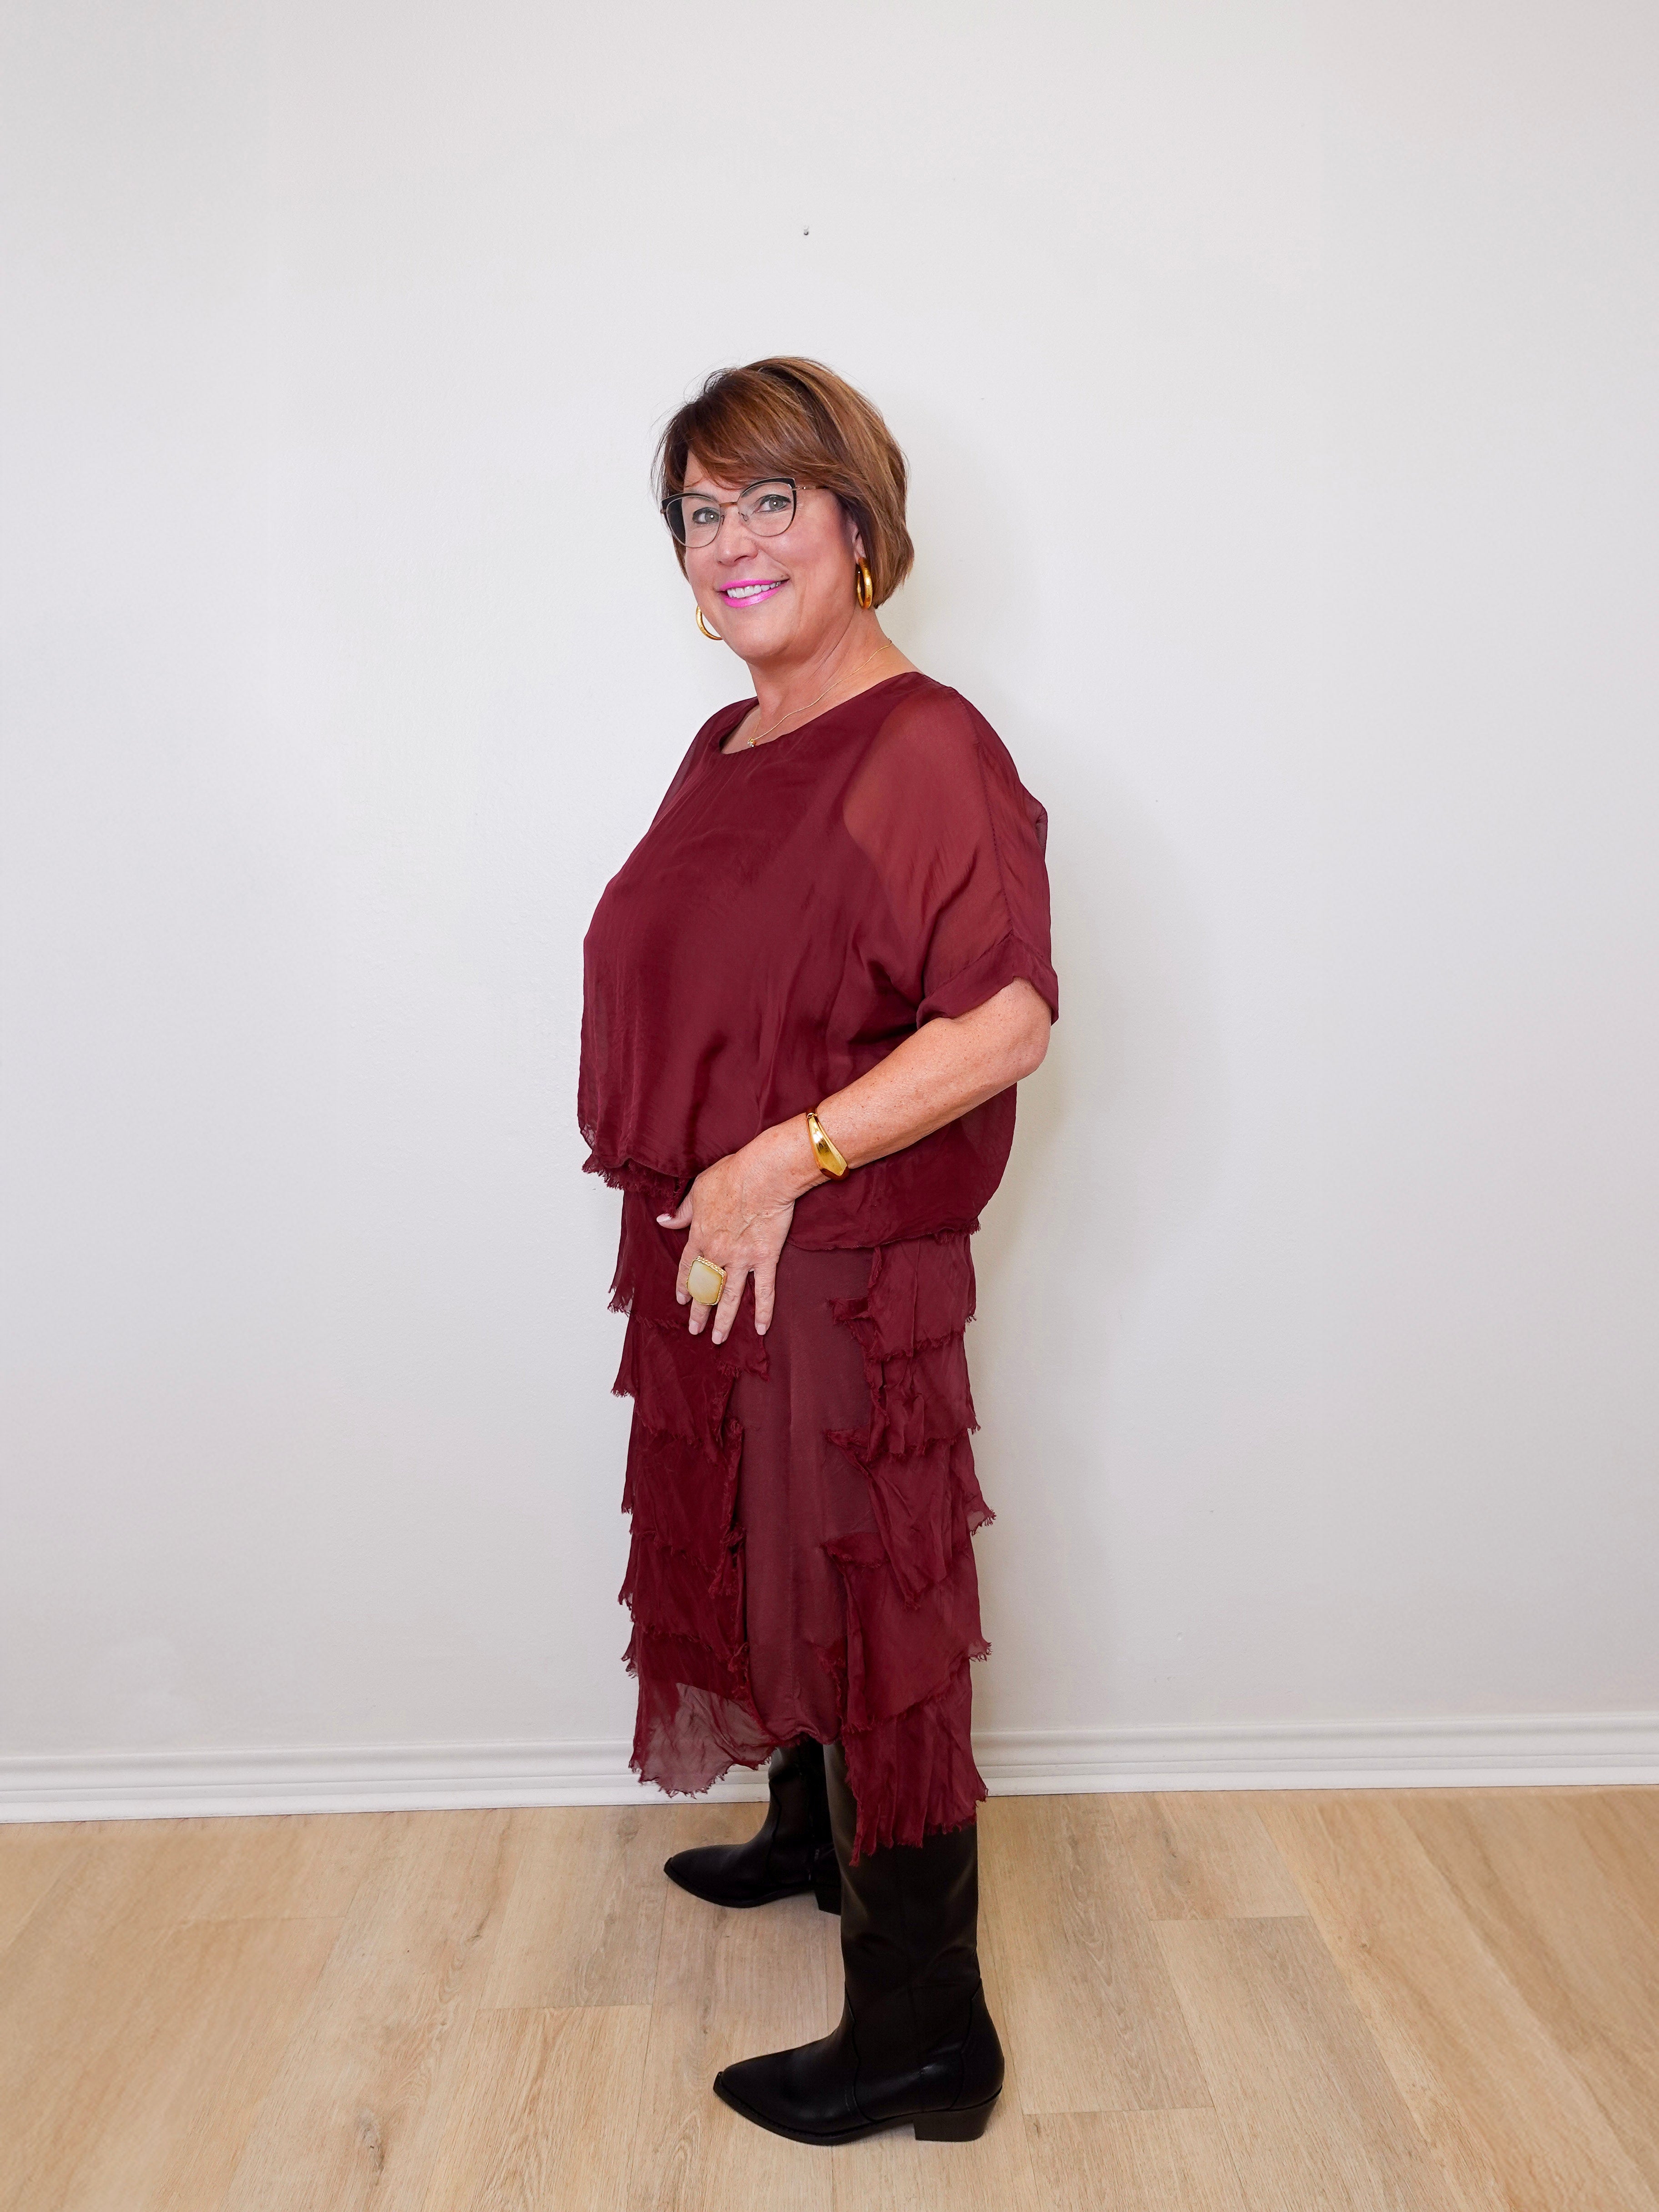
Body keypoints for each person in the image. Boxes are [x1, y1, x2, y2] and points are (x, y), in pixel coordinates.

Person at [578, 357, 1058, 2146]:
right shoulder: (732, 738)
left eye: (769, 499)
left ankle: (927, 2024)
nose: (732, 543)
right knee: (753, 1540)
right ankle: (812, 1825)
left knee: (869, 1596)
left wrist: (784, 1153)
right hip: (724, 1241)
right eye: (700, 514)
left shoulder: (926, 742)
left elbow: (1001, 1018)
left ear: (860, 521)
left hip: (840, 1253)